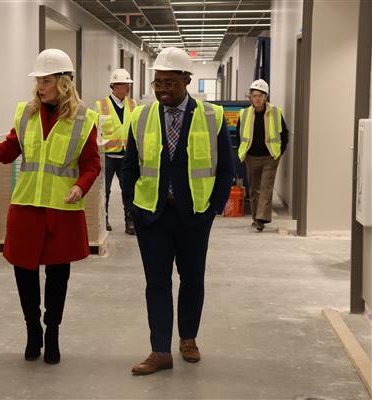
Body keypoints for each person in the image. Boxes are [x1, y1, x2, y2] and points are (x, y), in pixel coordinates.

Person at [0, 48, 101, 365]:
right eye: (38, 81)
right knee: (24, 274)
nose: (40, 87)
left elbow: (91, 165)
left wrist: (79, 186)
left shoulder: (85, 120)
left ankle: (53, 332)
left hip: (61, 209)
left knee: (58, 277)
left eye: (45, 81)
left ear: (63, 82)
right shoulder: (25, 113)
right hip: (27, 207)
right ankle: (33, 331)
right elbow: (6, 152)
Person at [122, 46, 233, 375]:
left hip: (194, 215)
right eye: (158, 82)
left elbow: (225, 169)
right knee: (156, 282)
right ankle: (159, 350)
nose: (162, 89)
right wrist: (133, 207)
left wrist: (213, 208)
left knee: (192, 279)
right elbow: (130, 167)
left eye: (170, 82)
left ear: (186, 80)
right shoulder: (141, 116)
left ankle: (188, 339)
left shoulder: (212, 116)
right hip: (152, 216)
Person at [236, 79, 289, 231]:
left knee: (266, 187)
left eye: (260, 95)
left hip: (270, 157)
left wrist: (279, 152)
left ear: (265, 97)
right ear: (250, 98)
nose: (257, 98)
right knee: (254, 188)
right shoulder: (244, 114)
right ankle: (256, 217)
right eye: (254, 95)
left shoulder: (275, 112)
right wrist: (243, 152)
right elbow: (239, 135)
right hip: (251, 157)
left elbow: (284, 134)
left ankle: (261, 219)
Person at [95, 68, 137, 235]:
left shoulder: (133, 104)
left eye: (128, 84)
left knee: (128, 189)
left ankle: (130, 221)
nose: (127, 88)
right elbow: (96, 131)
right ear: (114, 86)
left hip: (126, 155)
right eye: (125, 84)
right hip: (107, 156)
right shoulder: (101, 105)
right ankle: (103, 220)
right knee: (104, 191)